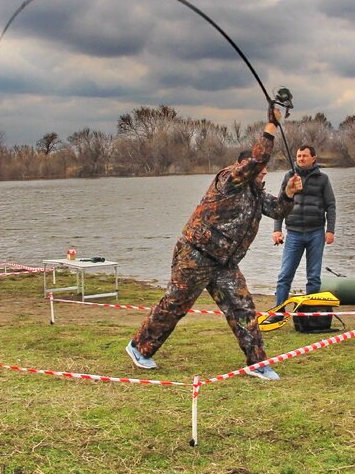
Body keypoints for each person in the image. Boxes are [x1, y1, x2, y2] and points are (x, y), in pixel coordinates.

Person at [125, 106, 302, 380]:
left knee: (243, 308)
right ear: (243, 168)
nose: (265, 173)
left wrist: (289, 193)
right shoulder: (228, 180)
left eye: (265, 170)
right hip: (195, 255)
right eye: (261, 169)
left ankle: (257, 364)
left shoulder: (256, 194)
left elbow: (278, 210)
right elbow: (256, 159)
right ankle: (139, 348)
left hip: (224, 264)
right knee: (175, 304)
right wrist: (271, 126)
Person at [267, 144, 336, 316]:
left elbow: (331, 206)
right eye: (298, 156)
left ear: (314, 158)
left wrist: (330, 230)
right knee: (285, 274)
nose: (301, 159)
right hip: (294, 233)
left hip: (316, 233)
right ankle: (278, 311)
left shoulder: (323, 179)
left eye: (305, 156)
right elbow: (280, 204)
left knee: (313, 276)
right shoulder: (289, 176)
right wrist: (277, 229)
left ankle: (309, 312)